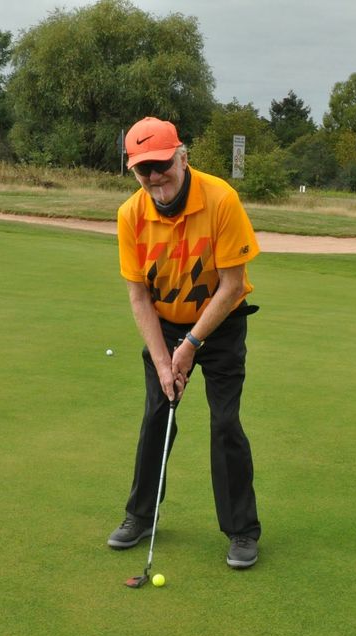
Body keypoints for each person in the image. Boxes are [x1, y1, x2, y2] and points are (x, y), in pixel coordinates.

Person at [107, 116, 262, 569]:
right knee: (157, 416)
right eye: (143, 169)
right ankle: (141, 515)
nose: (155, 177)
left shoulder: (221, 199)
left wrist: (192, 343)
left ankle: (242, 530)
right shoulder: (130, 214)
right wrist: (163, 361)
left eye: (161, 164)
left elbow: (232, 285)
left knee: (225, 424)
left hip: (220, 325)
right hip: (165, 327)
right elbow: (138, 295)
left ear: (182, 157)